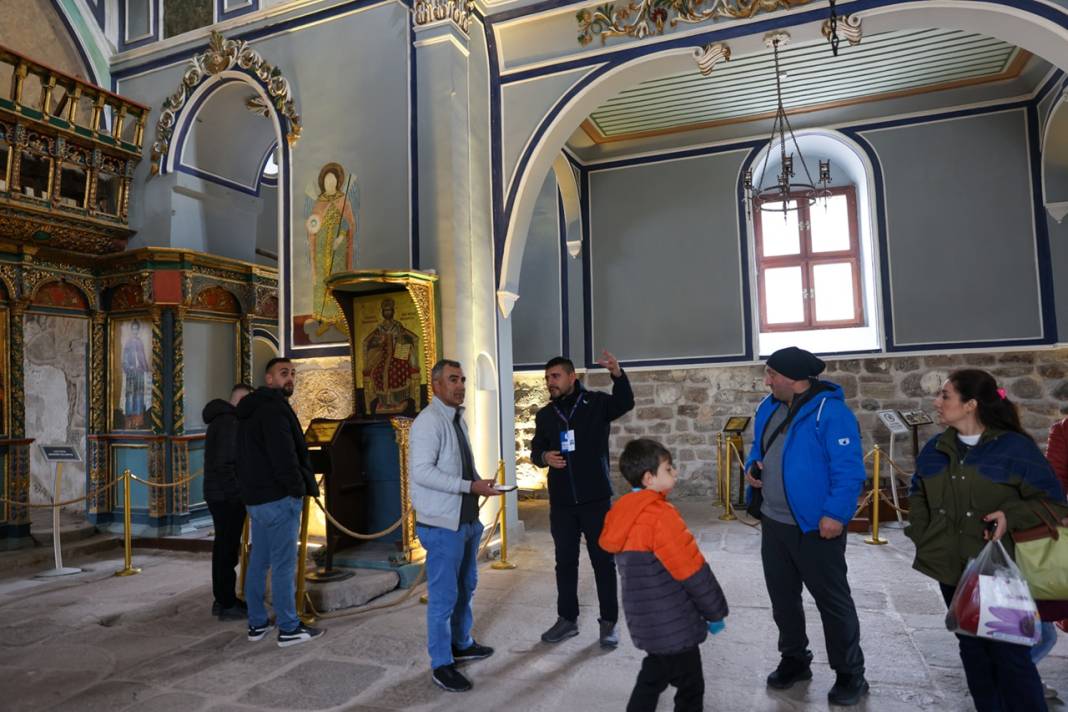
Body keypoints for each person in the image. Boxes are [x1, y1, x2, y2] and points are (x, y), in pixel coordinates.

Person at [906, 369, 1068, 712]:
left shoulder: (1014, 448)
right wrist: (922, 535)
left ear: (971, 405)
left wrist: (1011, 515)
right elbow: (917, 493)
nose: (936, 402)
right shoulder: (936, 448)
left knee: (1010, 654)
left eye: (945, 396)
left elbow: (1053, 503)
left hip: (1000, 571)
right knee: (972, 651)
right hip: (952, 569)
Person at [743, 346, 869, 706]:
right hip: (774, 521)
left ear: (794, 378)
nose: (767, 381)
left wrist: (836, 514)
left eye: (771, 374)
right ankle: (795, 659)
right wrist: (753, 468)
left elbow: (849, 470)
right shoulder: (767, 407)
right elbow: (758, 449)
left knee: (833, 602)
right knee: (783, 600)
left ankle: (850, 673)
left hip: (815, 526)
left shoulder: (833, 413)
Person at [599, 438, 729, 712]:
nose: (675, 472)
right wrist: (715, 612)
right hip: (673, 622)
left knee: (653, 675)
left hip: (646, 620)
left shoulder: (621, 512)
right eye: (669, 468)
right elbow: (691, 571)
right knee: (690, 688)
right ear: (649, 478)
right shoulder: (661, 517)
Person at [530, 351, 635, 647]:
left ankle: (608, 623)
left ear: (571, 377)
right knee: (565, 563)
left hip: (595, 499)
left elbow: (625, 402)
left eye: (555, 376)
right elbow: (535, 451)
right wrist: (544, 457)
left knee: (603, 562)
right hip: (562, 504)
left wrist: (617, 374)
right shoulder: (545, 415)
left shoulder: (596, 404)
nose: (550, 382)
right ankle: (567, 620)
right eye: (547, 378)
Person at [410, 359, 502, 692]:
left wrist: (479, 481)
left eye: (462, 379)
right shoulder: (428, 422)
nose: (460, 385)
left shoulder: (456, 419)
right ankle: (441, 663)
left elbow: (462, 465)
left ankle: (462, 643)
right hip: (442, 525)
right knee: (443, 597)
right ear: (436, 385)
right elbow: (422, 472)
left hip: (467, 521)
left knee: (466, 587)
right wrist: (468, 486)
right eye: (453, 380)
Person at [236, 358, 323, 648]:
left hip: (257, 500)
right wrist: (295, 490)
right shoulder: (273, 410)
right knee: (284, 565)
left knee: (258, 563)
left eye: (293, 374)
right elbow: (284, 455)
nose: (290, 378)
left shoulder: (250, 409)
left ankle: (257, 623)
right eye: (284, 373)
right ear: (269, 379)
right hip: (278, 498)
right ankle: (288, 628)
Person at [203, 383, 252, 620]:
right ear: (241, 401)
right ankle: (226, 603)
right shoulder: (230, 423)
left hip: (220, 495)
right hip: (226, 497)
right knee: (226, 550)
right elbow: (225, 464)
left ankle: (224, 599)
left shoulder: (222, 420)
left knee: (225, 547)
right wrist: (238, 496)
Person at [361, 297, 420, 415]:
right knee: (378, 371)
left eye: (389, 310)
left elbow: (410, 336)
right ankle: (384, 402)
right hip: (383, 355)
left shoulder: (397, 325)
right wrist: (378, 342)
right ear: (382, 312)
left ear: (393, 311)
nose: (387, 313)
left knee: (395, 371)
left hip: (398, 355)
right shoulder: (380, 327)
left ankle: (396, 401)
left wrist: (402, 341)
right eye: (385, 311)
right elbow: (369, 341)